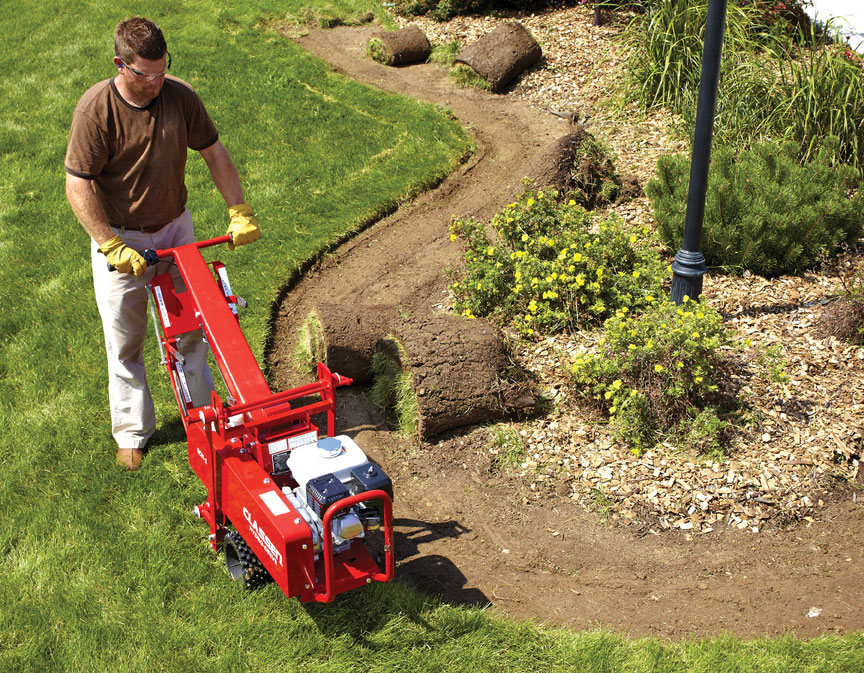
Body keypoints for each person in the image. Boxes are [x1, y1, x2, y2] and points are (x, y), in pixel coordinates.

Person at [65, 16, 260, 471]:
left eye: (162, 69)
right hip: (121, 238)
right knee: (125, 339)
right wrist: (110, 244)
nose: (156, 81)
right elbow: (78, 187)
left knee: (194, 328)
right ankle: (133, 431)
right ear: (120, 64)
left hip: (175, 229)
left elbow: (213, 151)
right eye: (145, 74)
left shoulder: (179, 95)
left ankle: (204, 415)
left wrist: (239, 209)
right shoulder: (95, 111)